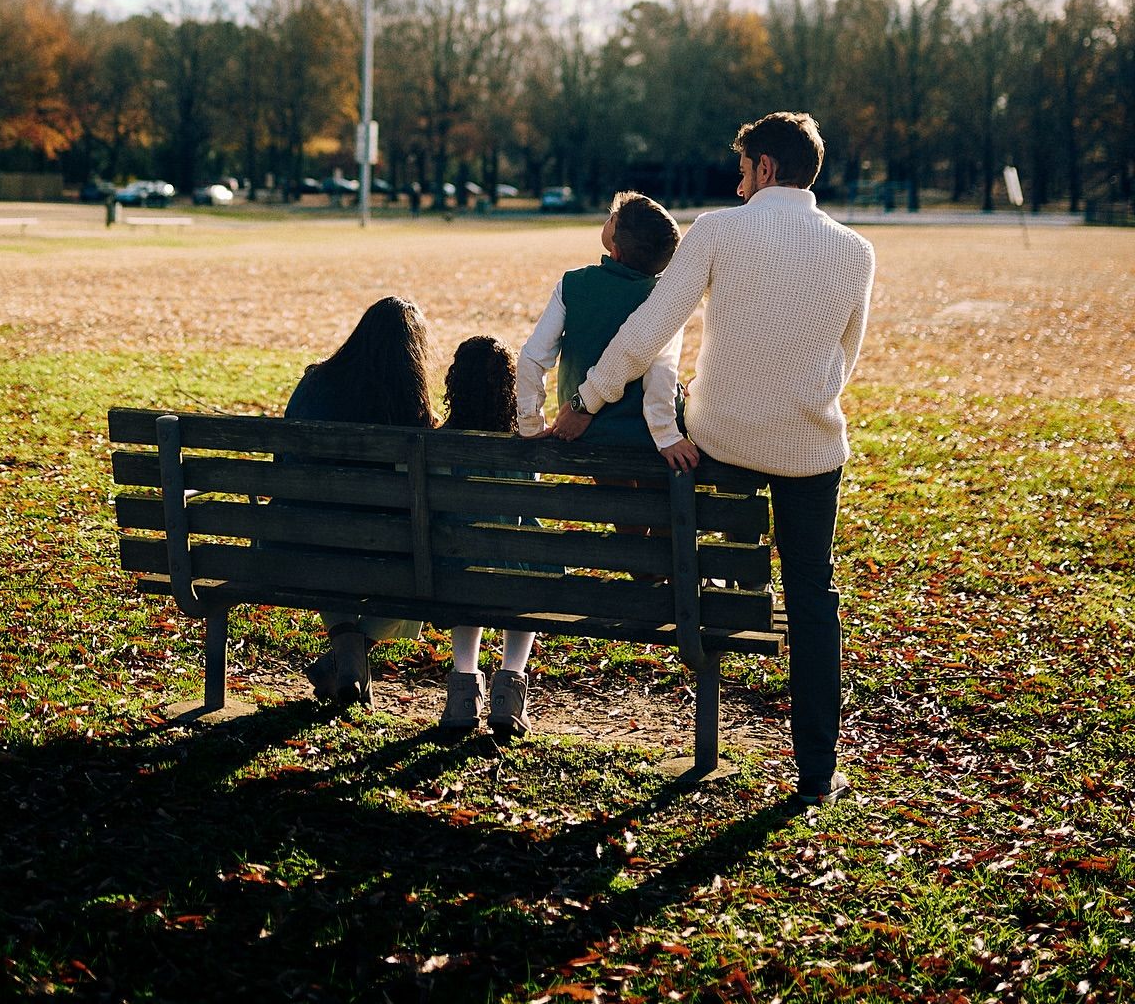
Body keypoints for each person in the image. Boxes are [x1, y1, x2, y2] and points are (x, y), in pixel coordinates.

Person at [550, 113, 876, 806]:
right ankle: (817, 773)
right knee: (812, 595)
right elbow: (844, 360)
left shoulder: (720, 229)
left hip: (720, 440)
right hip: (809, 445)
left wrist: (589, 394)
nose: (736, 183)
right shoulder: (856, 251)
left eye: (742, 170)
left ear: (763, 167)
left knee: (721, 561)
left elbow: (649, 329)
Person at [283, 295, 435, 708]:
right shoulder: (413, 410)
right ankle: (355, 648)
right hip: (388, 552)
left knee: (330, 540)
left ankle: (345, 649)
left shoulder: (315, 382)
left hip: (298, 540)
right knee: (420, 557)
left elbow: (285, 462)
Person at [516, 191, 683, 447]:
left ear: (615, 251)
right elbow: (662, 374)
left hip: (585, 432)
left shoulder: (573, 285)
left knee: (613, 484)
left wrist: (531, 425)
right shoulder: (663, 296)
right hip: (644, 433)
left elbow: (532, 358)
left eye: (613, 220)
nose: (610, 215)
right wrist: (666, 435)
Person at [436, 335, 539, 737]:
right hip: (513, 572)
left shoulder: (436, 443)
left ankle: (463, 689)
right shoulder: (523, 447)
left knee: (468, 564)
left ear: (455, 386)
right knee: (532, 567)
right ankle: (510, 685)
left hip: (450, 572)